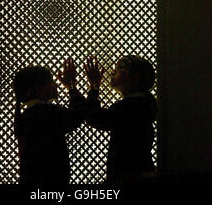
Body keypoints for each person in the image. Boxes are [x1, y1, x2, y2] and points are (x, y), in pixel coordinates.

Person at [84, 54, 157, 184]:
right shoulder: (145, 104)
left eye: (120, 67)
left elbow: (94, 118)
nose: (113, 71)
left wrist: (94, 86)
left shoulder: (131, 106)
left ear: (135, 77)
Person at [13, 57, 86, 186]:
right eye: (50, 82)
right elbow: (78, 115)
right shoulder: (49, 112)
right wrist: (72, 87)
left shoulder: (25, 115)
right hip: (52, 181)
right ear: (37, 90)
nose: (55, 84)